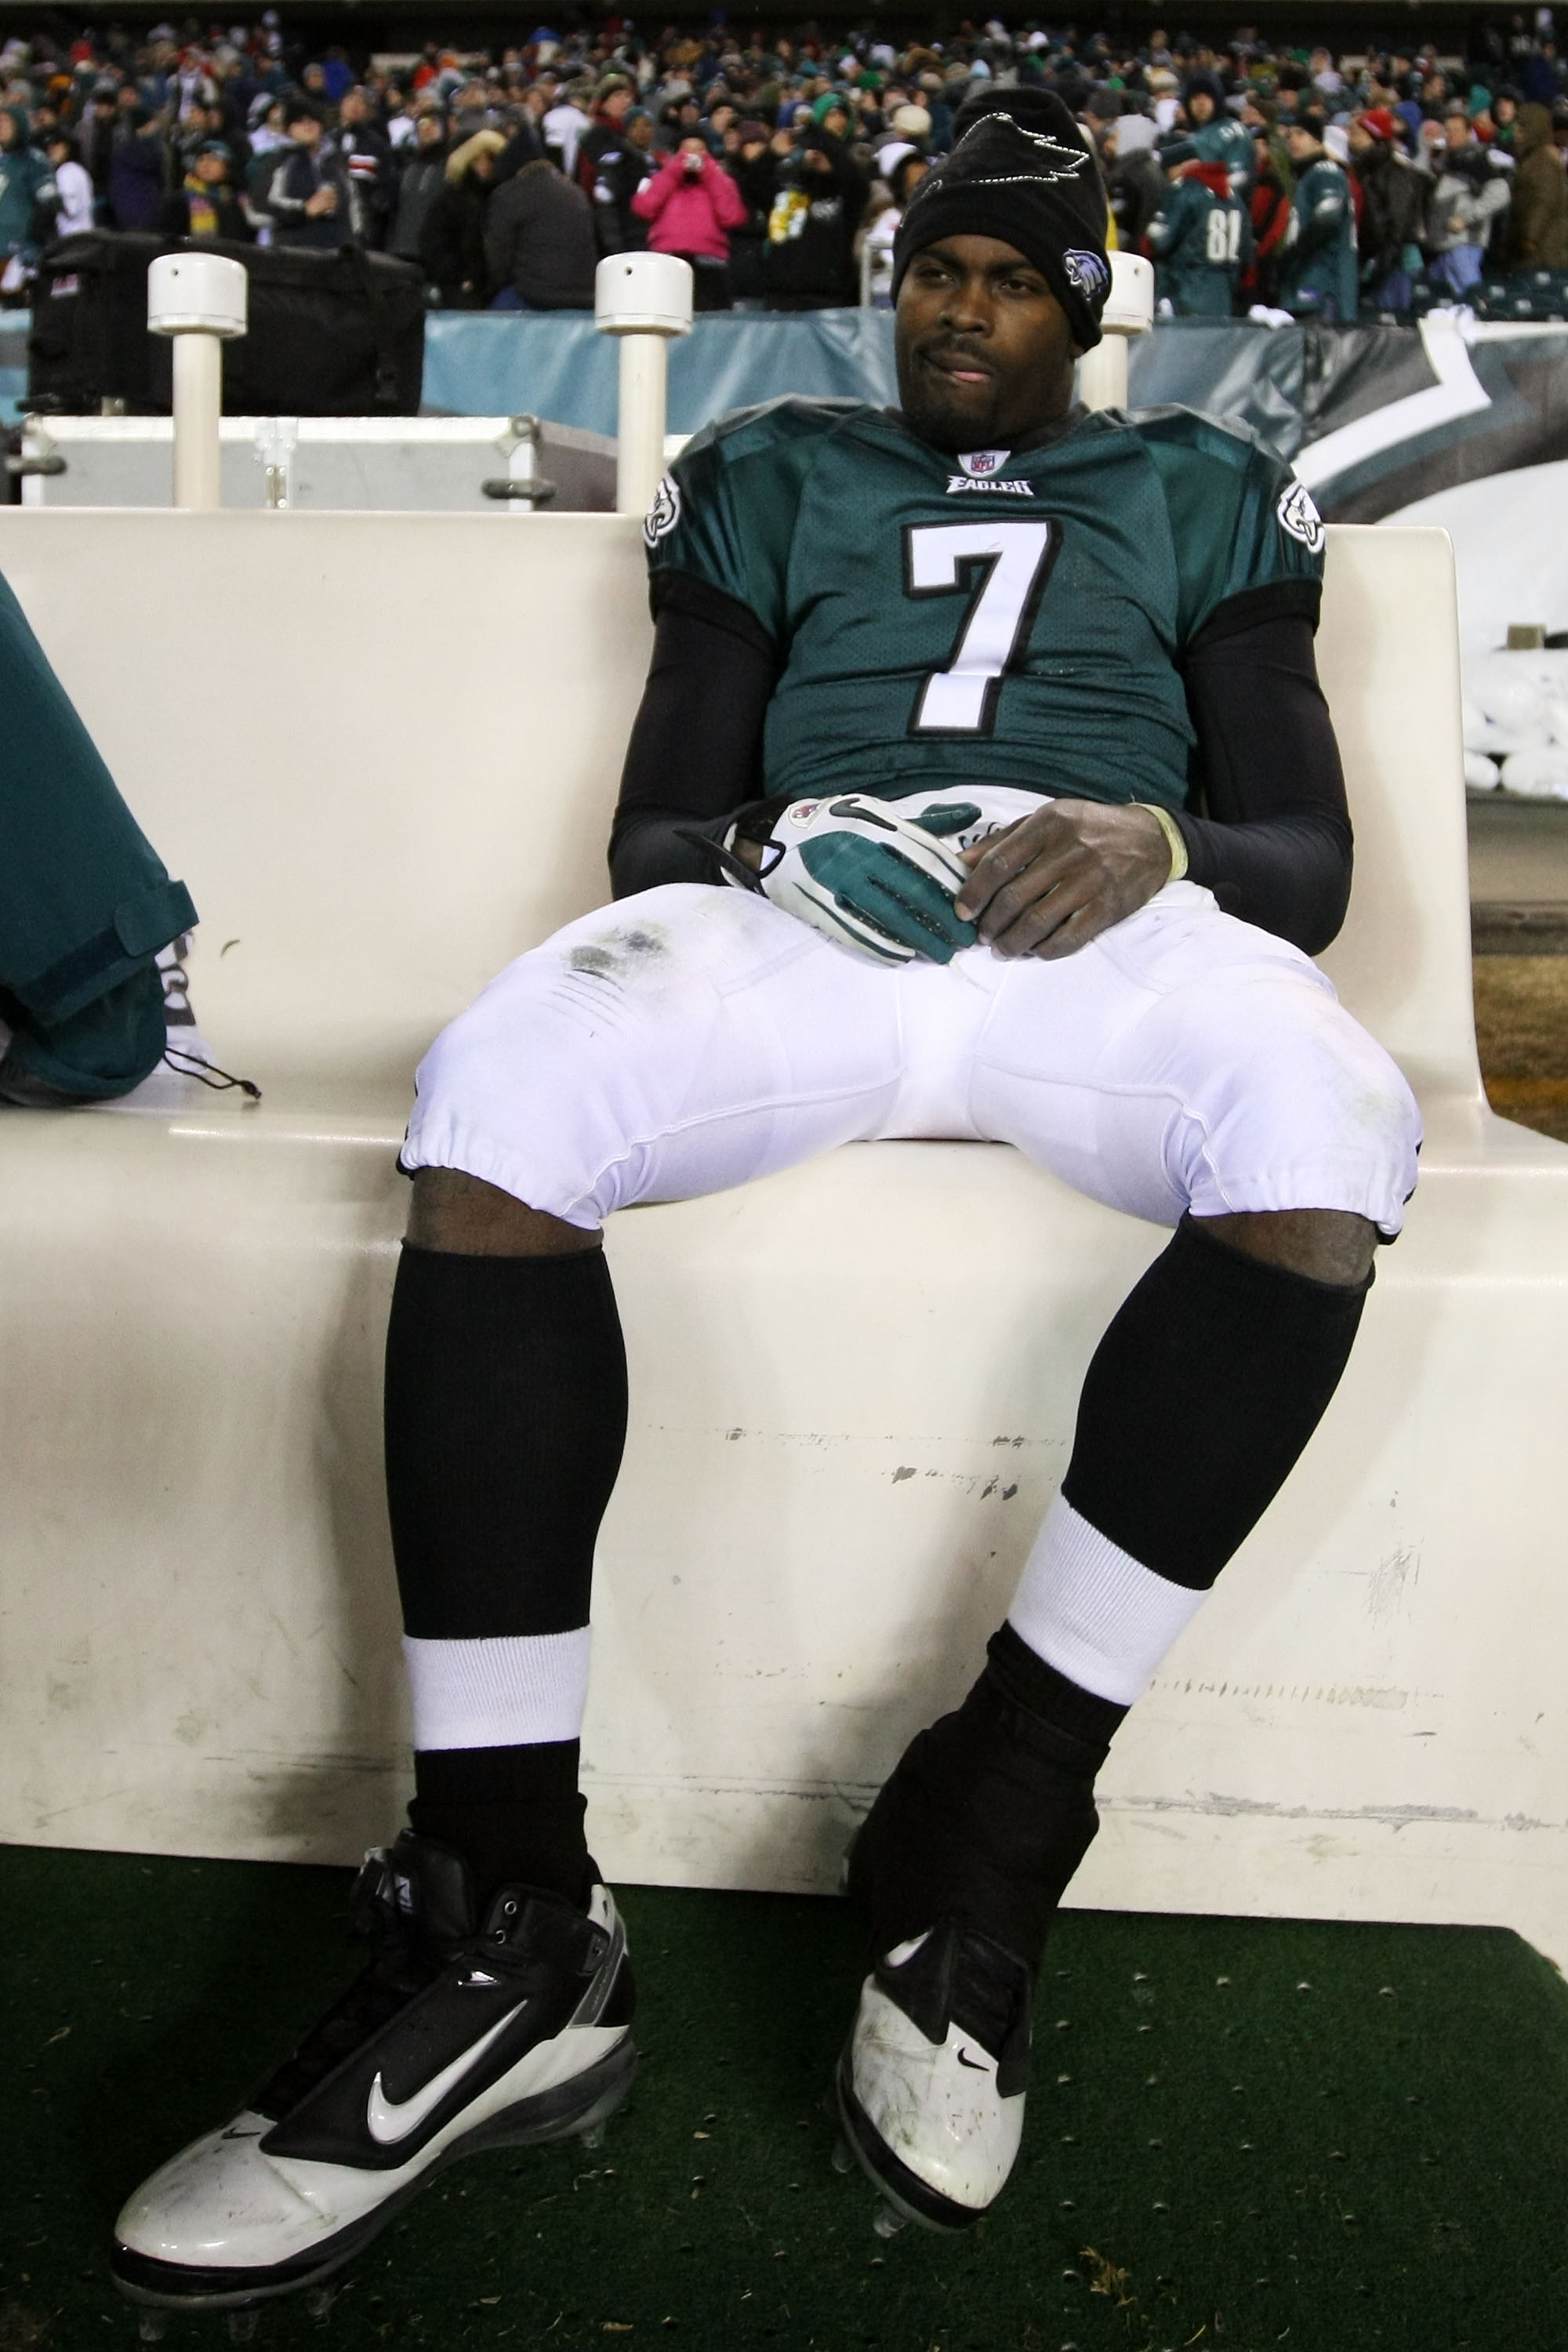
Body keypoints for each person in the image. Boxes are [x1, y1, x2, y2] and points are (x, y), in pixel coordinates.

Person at [113, 101, 1420, 2314]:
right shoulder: (776, 469)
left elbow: (1308, 862)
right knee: (500, 1094)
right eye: (930, 269)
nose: (955, 307)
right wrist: (748, 858)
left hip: (1096, 929)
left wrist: (1155, 843)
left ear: (1082, 305)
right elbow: (655, 820)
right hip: (810, 912)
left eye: (1005, 275)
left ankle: (993, 1823)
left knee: (1325, 1151)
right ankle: (515, 1911)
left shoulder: (1197, 487)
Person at [630, 132, 746, 307]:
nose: (692, 156)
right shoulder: (661, 178)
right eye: (686, 151)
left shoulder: (722, 181)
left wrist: (709, 173)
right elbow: (643, 207)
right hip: (666, 263)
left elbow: (732, 216)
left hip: (710, 264)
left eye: (699, 151)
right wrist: (673, 171)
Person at [483, 150, 597, 309]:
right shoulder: (576, 193)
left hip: (535, 295)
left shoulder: (509, 194)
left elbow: (499, 257)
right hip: (586, 295)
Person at [1277, 109, 1357, 320]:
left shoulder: (1325, 171)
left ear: (1318, 141)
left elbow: (1327, 219)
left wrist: (1293, 253)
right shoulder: (1307, 177)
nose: (1293, 139)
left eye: (1301, 134)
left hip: (1323, 285)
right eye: (1290, 135)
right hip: (1309, 282)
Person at [1145, 155, 1252, 313]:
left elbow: (1159, 242)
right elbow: (1246, 251)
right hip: (1224, 296)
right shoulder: (1236, 198)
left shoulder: (1186, 190)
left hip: (1186, 291)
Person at [1348, 107, 1426, 312]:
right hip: (1373, 257)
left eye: (1357, 133)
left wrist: (1384, 262)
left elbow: (1399, 219)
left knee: (1390, 324)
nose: (1351, 138)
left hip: (1395, 261)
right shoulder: (1364, 167)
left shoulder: (1396, 171)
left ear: (1375, 136)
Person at [420, 128, 503, 307]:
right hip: (460, 288)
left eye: (489, 159)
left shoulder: (502, 196)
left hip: (494, 287)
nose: (484, 165)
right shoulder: (451, 200)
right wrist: (460, 277)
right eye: (477, 160)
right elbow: (433, 242)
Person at [266, 96, 351, 249]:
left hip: (336, 255)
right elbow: (257, 211)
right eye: (299, 120)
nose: (307, 124)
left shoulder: (337, 162)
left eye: (313, 119)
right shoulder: (276, 161)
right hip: (293, 255)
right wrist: (305, 209)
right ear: (287, 129)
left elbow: (355, 207)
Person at [1505, 99, 1568, 267]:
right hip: (1528, 250)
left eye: (1522, 127)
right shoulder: (1530, 159)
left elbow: (1544, 200)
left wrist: (1530, 239)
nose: (1516, 132)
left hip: (1542, 253)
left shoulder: (1543, 160)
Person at [386, 107, 448, 267]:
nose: (426, 129)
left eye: (433, 125)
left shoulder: (449, 167)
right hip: (401, 251)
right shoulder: (406, 168)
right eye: (422, 125)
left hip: (434, 256)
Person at [161, 136, 251, 240]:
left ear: (227, 167)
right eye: (201, 160)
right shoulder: (180, 201)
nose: (205, 165)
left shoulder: (237, 203)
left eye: (213, 159)